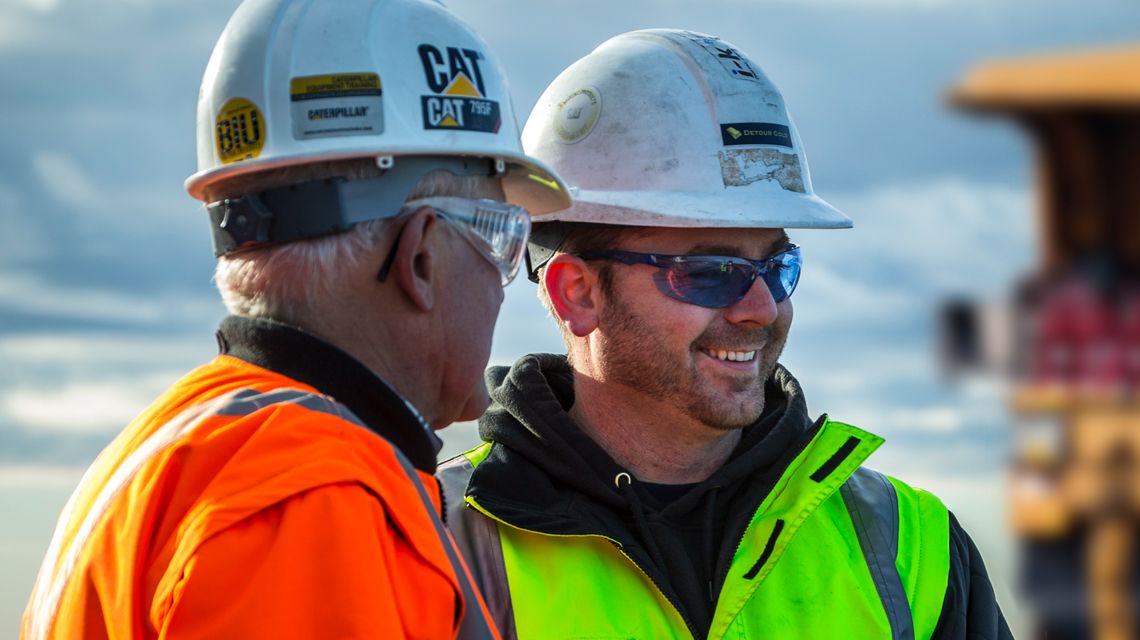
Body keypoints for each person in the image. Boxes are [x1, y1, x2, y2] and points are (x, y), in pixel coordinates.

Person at [439, 29, 1011, 640]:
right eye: (711, 273)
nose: (761, 307)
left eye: (777, 265)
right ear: (575, 293)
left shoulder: (907, 546)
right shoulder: (443, 544)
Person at [21, 0, 569, 638]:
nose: (504, 286)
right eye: (499, 238)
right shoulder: (310, 494)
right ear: (420, 255)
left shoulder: (175, 448)